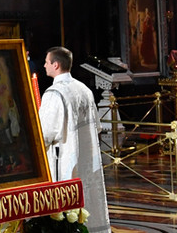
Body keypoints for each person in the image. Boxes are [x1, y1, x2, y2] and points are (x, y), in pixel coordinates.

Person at [39, 47, 111, 233]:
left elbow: (45, 134)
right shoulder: (84, 89)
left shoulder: (54, 93)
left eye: (47, 62)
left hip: (64, 160)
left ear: (56, 64)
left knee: (65, 211)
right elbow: (97, 127)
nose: (44, 65)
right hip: (87, 158)